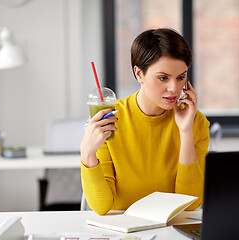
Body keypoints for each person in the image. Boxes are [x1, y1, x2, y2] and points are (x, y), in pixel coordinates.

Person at [80, 28, 210, 215]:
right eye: (163, 78)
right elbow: (101, 207)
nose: (174, 88)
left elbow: (190, 204)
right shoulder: (109, 120)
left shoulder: (196, 122)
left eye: (181, 77)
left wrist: (186, 132)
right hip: (121, 229)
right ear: (139, 74)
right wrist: (87, 152)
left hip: (170, 229)